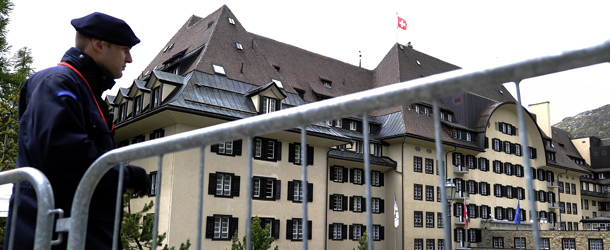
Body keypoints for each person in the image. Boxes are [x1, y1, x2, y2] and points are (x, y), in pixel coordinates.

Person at [5, 12, 151, 250]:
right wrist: (125, 175)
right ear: (99, 44)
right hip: (52, 235)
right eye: (125, 49)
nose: (130, 59)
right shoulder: (57, 82)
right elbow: (62, 154)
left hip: (79, 232)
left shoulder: (85, 90)